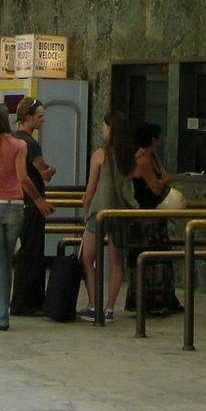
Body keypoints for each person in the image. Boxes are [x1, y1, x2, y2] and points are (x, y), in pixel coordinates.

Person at [0, 103, 50, 331]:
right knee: (7, 259)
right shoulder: (19, 144)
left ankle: (1, 315)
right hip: (15, 206)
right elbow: (23, 179)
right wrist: (39, 200)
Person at [79, 112, 140, 323]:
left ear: (109, 128)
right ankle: (110, 308)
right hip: (121, 212)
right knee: (116, 262)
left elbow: (90, 189)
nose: (103, 130)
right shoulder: (128, 157)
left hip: (99, 211)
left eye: (105, 126)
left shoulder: (99, 154)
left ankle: (93, 303)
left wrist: (85, 210)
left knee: (87, 258)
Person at [9, 97, 55, 315]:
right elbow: (42, 171)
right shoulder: (31, 144)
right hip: (31, 202)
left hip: (16, 201)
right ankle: (28, 302)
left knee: (23, 252)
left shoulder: (12, 140)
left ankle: (20, 300)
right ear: (28, 117)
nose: (42, 120)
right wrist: (40, 198)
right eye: (39, 116)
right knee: (32, 253)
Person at [129, 122, 181, 315]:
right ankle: (150, 299)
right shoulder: (142, 160)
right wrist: (164, 181)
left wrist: (162, 180)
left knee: (159, 255)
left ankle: (161, 297)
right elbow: (156, 186)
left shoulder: (152, 158)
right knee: (149, 255)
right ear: (153, 139)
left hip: (155, 212)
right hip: (146, 214)